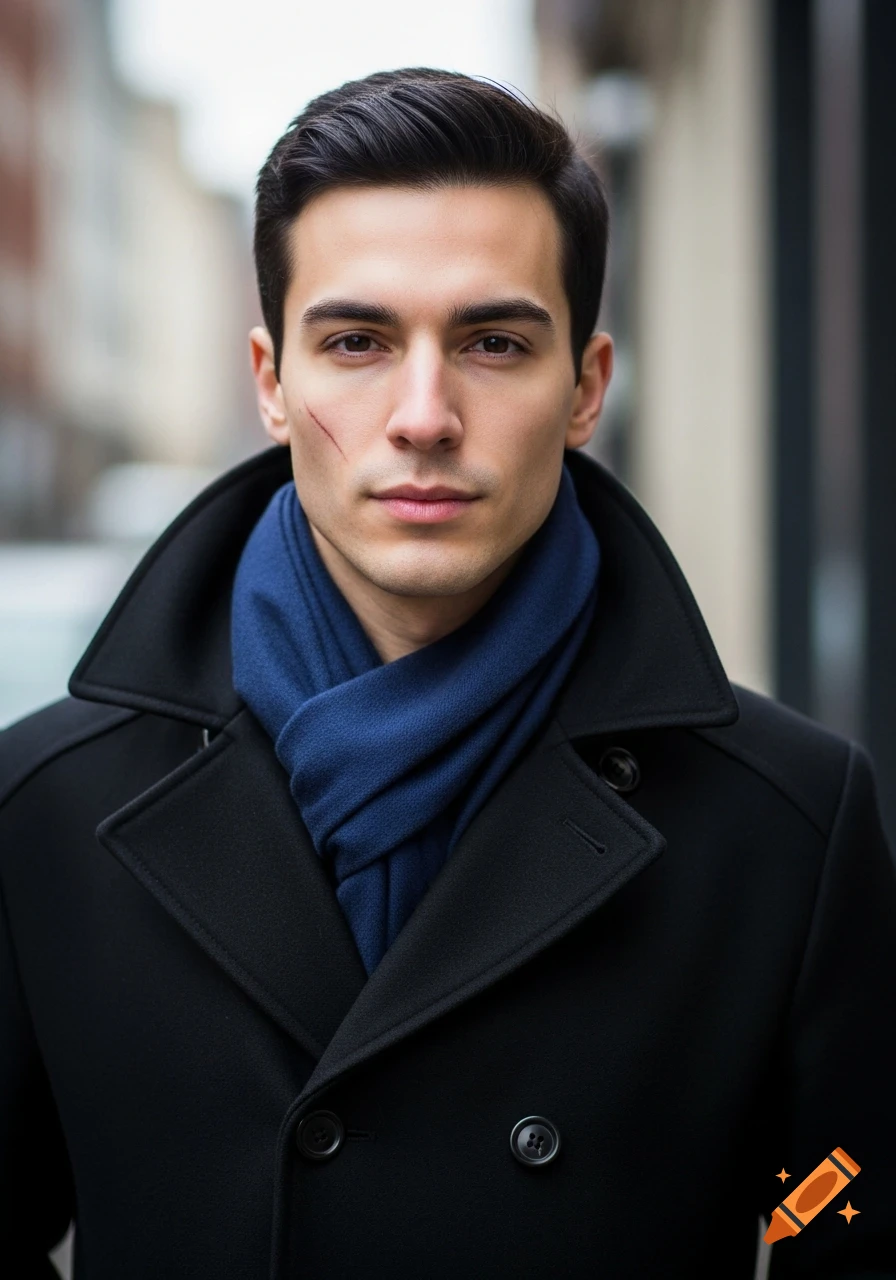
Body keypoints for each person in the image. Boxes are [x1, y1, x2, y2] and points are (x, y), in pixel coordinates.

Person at [1, 68, 893, 1280]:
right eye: (358, 341)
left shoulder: (782, 823)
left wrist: (811, 1225)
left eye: (492, 342)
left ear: (582, 386)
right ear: (271, 381)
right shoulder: (48, 806)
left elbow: (839, 1211)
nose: (423, 414)